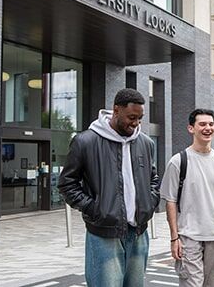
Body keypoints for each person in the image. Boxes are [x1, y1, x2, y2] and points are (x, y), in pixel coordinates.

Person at [58, 88, 160, 287]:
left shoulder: (145, 143)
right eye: (132, 117)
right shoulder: (85, 141)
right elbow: (67, 183)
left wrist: (149, 203)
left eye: (140, 118)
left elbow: (153, 179)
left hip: (139, 232)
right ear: (116, 110)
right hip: (104, 233)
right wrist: (96, 210)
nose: (136, 123)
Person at [160, 108, 214, 287]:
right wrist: (174, 238)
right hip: (188, 236)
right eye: (202, 124)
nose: (207, 128)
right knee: (192, 284)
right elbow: (170, 201)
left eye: (211, 124)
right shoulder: (178, 161)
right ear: (191, 128)